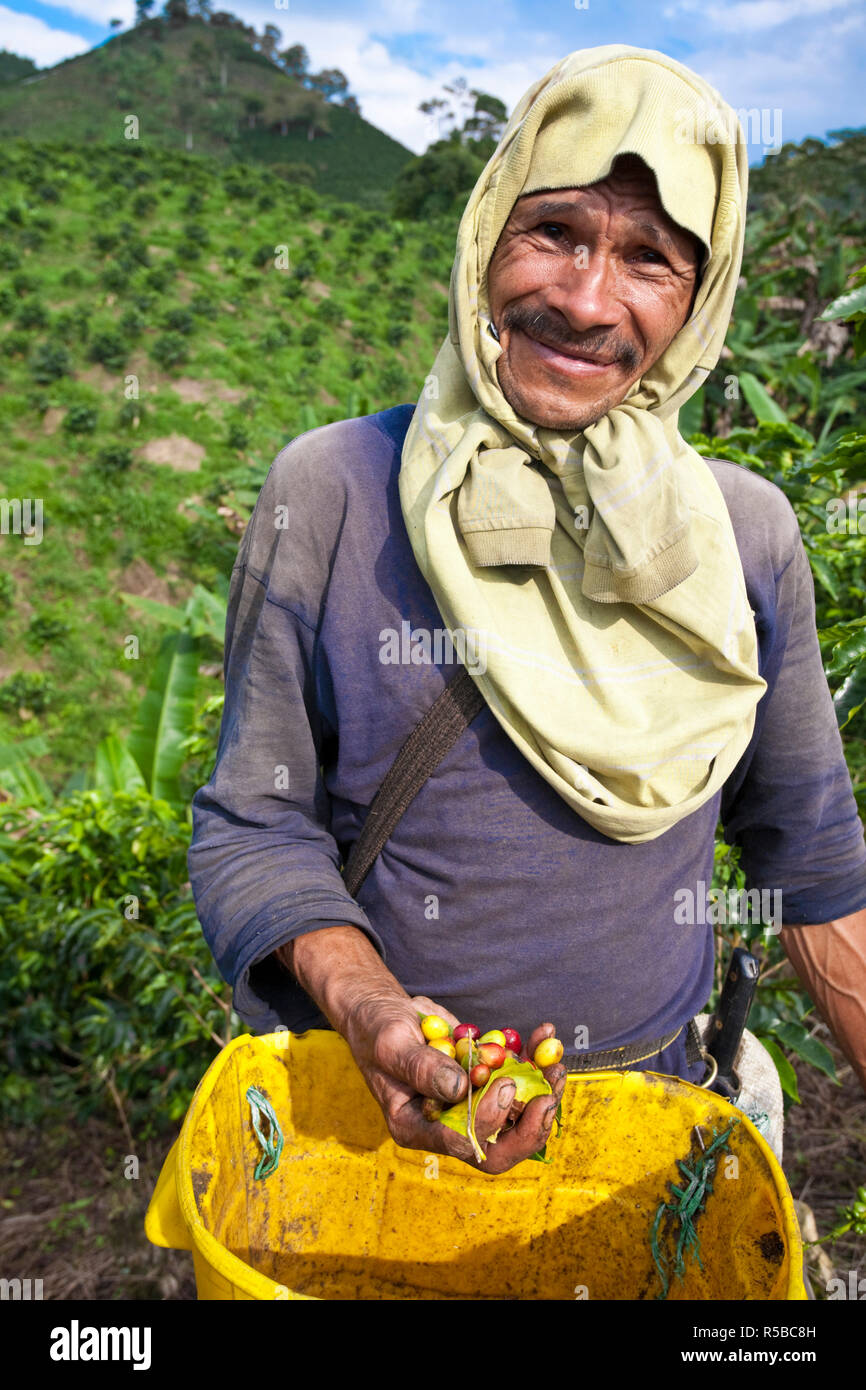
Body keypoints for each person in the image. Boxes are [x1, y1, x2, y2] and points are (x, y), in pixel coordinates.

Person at [187, 45, 866, 1176]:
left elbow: (813, 861)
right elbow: (254, 822)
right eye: (551, 232)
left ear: (696, 303)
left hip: (645, 1139)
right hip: (377, 1124)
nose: (584, 299)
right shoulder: (335, 492)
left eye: (647, 257)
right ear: (486, 232)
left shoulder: (741, 535)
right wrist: (365, 1009)